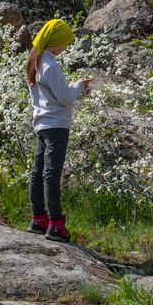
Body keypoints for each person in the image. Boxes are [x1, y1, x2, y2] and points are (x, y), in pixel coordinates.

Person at [25, 19, 93, 242]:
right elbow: (64, 99)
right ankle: (56, 225)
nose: (66, 47)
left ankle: (38, 219)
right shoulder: (51, 66)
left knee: (37, 172)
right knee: (51, 175)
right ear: (54, 43)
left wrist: (71, 87)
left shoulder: (35, 62)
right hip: (57, 125)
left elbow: (52, 95)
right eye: (65, 43)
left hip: (42, 124)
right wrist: (80, 85)